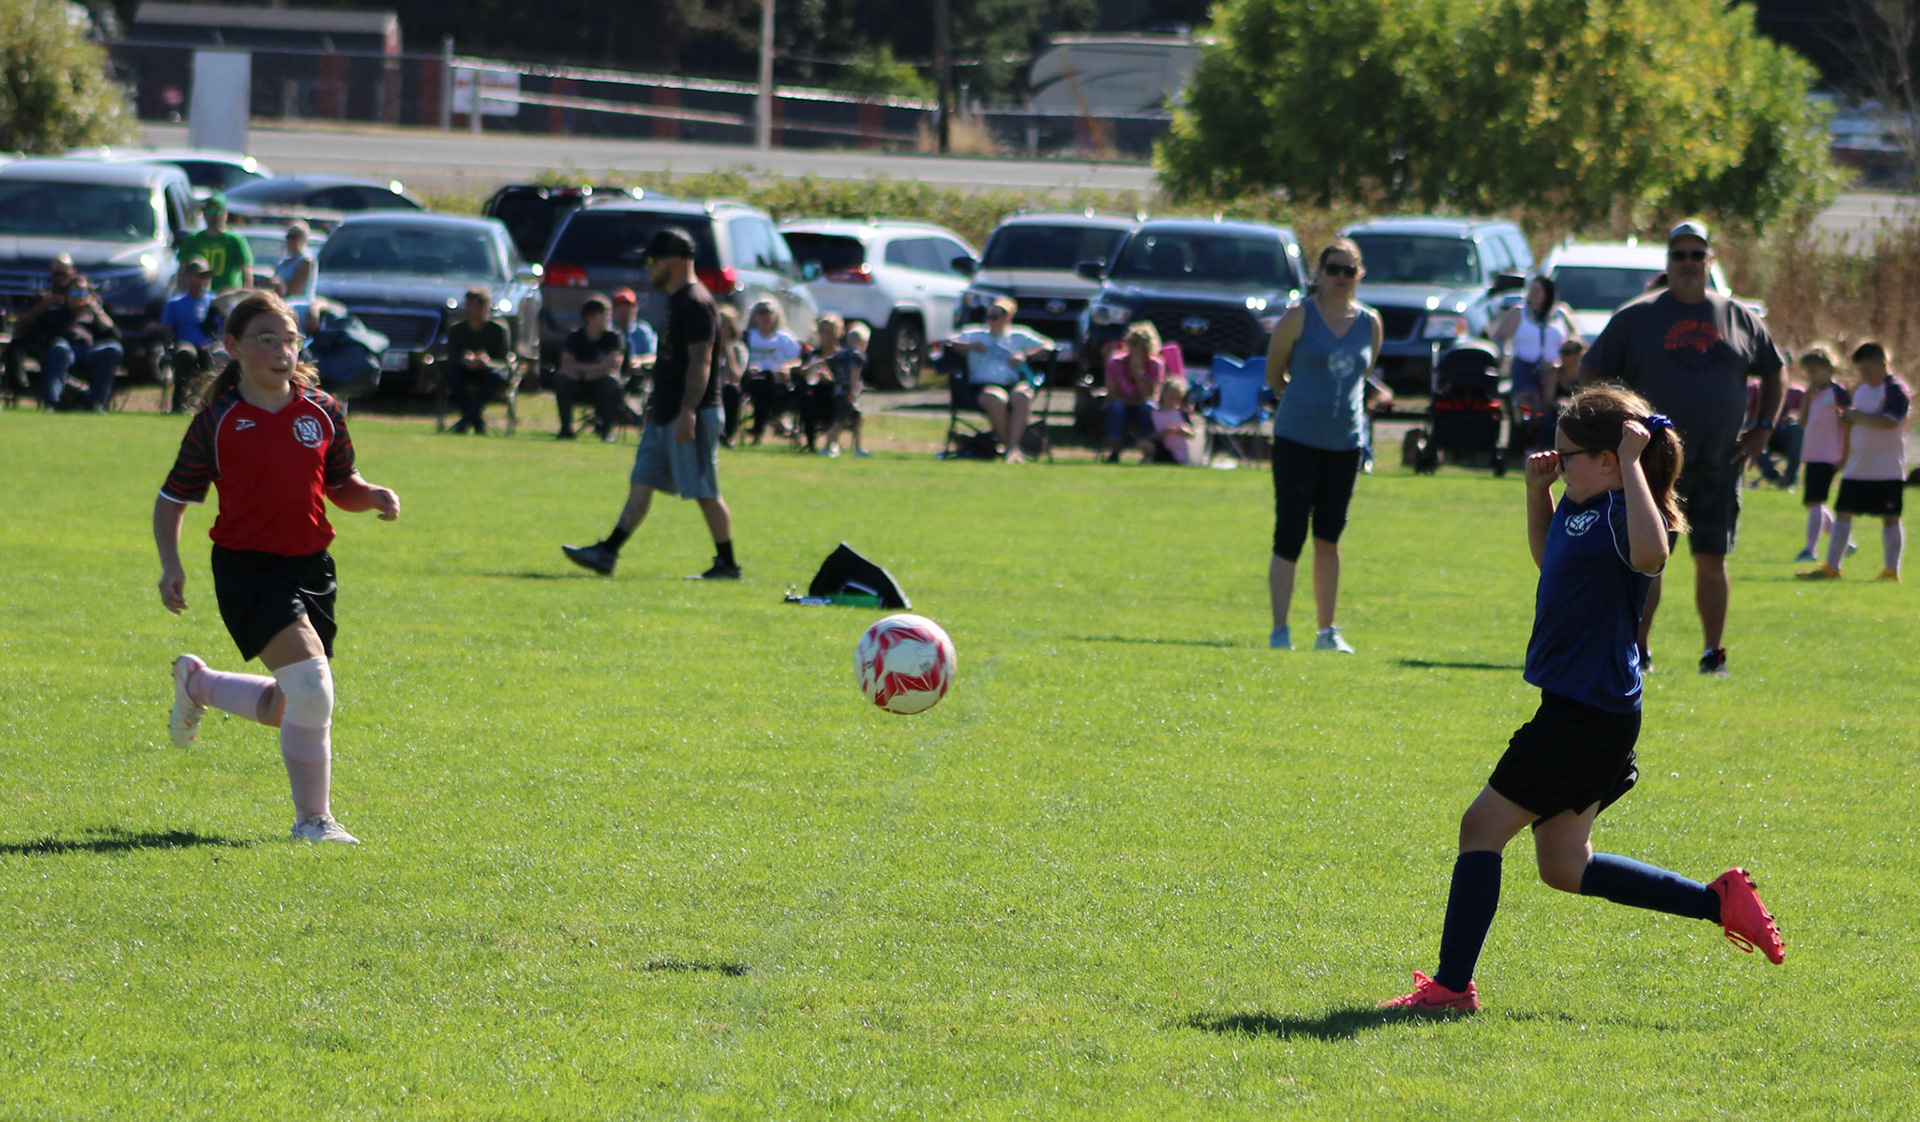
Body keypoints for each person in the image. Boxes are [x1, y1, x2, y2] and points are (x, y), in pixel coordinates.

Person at [1379, 386, 1784, 1014]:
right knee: (1564, 865)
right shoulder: (1579, 501)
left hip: (1586, 714)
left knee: (1480, 828)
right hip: (1581, 709)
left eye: (1567, 455)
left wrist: (1633, 466)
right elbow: (1552, 560)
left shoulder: (1627, 509)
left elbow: (1652, 556)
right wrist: (1537, 493)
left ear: (1607, 459)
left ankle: (1452, 988)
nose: (1557, 461)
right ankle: (1719, 900)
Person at [154, 290, 401, 845]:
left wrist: (370, 495)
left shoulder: (323, 410)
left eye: (290, 340)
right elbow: (173, 498)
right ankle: (314, 821)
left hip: (313, 569)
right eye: (267, 340)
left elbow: (341, 483)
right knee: (313, 688)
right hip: (247, 569)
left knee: (286, 704)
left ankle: (198, 684)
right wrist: (171, 563)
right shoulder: (217, 421)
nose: (282, 351)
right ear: (234, 346)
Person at [1581, 220, 1785, 677]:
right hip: (1654, 464)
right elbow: (1592, 371)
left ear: (1710, 261)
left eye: (1697, 255)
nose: (1688, 263)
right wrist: (1614, 427)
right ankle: (1638, 651)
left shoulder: (1738, 317)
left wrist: (1763, 428)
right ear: (1668, 262)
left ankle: (1713, 654)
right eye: (1680, 255)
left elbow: (1775, 370)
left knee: (1712, 560)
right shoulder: (1637, 316)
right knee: (1649, 560)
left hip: (1718, 460)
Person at [560, 227, 738, 580]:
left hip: (693, 412)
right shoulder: (675, 300)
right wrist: (658, 406)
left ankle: (728, 564)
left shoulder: (697, 302)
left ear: (675, 261)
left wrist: (688, 411)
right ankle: (607, 552)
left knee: (704, 490)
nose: (649, 267)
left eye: (654, 260)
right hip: (666, 412)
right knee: (642, 479)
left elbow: (701, 362)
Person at [1262, 238, 1388, 653]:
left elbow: (1363, 373)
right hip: (1296, 438)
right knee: (1290, 532)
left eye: (1349, 270)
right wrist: (1302, 403)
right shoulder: (1299, 316)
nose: (1340, 277)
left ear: (1359, 275)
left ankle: (1326, 631)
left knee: (1329, 537)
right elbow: (1274, 374)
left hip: (1345, 443)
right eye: (1333, 268)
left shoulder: (1370, 322)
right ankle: (1280, 631)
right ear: (1318, 273)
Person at [1799, 340, 1908, 581]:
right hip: (1857, 466)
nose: (1864, 376)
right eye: (1861, 371)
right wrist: (1845, 456)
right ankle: (1832, 568)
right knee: (1843, 512)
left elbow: (1890, 421)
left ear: (1883, 364)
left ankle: (1891, 570)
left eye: (1868, 371)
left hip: (1887, 468)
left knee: (1890, 517)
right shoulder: (1861, 390)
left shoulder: (1895, 389)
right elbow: (1849, 424)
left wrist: (1858, 417)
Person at [953, 297, 1054, 463]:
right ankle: (1011, 448)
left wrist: (1025, 356)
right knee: (996, 398)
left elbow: (1049, 345)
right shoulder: (975, 333)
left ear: (1008, 317)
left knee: (1022, 396)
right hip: (984, 385)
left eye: (995, 316)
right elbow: (950, 342)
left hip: (1012, 383)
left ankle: (1012, 448)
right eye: (988, 316)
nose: (990, 321)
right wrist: (972, 346)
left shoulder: (1019, 335)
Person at [16, 255, 122, 412]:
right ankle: (52, 403)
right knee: (60, 347)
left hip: (88, 349)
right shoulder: (48, 302)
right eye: (56, 274)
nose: (77, 295)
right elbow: (22, 327)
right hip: (62, 349)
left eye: (80, 291)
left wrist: (96, 311)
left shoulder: (91, 304)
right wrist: (43, 306)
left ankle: (95, 403)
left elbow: (115, 334)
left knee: (113, 349)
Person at [1491, 276, 1577, 449]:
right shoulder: (1519, 312)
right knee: (1528, 409)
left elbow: (1575, 338)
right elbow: (1499, 336)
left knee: (1556, 408)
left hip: (1554, 372)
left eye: (1538, 290)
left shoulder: (1561, 313)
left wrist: (1569, 352)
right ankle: (1524, 446)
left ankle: (1552, 444)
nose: (1533, 294)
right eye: (1531, 289)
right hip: (1525, 368)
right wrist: (1503, 354)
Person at [1789, 345, 1851, 563]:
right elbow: (1803, 422)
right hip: (1812, 453)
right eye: (1808, 373)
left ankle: (1810, 549)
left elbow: (1848, 423)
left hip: (1829, 454)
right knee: (1814, 502)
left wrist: (1845, 454)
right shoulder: (1813, 394)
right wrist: (1806, 400)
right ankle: (1844, 542)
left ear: (1829, 368)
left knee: (1815, 501)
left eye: (1815, 371)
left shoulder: (1838, 393)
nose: (1811, 377)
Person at [554, 295, 628, 441]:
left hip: (601, 386)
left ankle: (605, 431)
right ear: (590, 317)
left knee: (611, 381)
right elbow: (567, 365)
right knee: (562, 378)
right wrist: (600, 367)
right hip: (579, 384)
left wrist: (583, 372)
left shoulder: (614, 337)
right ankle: (566, 429)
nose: (608, 318)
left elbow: (614, 365)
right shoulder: (575, 337)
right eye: (604, 315)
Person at [444, 285, 511, 434]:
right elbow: (452, 357)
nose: (470, 310)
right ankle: (475, 420)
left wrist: (486, 362)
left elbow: (503, 361)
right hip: (465, 372)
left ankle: (465, 420)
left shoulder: (497, 330)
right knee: (451, 373)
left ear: (485, 307)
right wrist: (465, 360)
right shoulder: (456, 330)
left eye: (474, 306)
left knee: (496, 376)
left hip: (487, 373)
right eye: (468, 305)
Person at [158, 258, 220, 414]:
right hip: (186, 343)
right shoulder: (176, 303)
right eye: (200, 275)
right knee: (185, 354)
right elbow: (167, 329)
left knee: (217, 357)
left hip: (209, 346)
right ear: (189, 277)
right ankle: (178, 403)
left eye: (206, 276)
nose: (204, 279)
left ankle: (212, 405)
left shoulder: (214, 302)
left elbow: (223, 326)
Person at [741, 300, 803, 444]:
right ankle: (775, 419)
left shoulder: (784, 338)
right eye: (761, 312)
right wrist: (748, 366)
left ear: (776, 315)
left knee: (768, 382)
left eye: (769, 312)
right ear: (755, 316)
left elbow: (799, 360)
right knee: (763, 381)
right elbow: (739, 356)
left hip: (779, 382)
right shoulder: (747, 337)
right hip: (753, 380)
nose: (765, 316)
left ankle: (759, 430)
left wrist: (787, 367)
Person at [1103, 323, 1166, 462]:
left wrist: (1139, 374)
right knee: (1116, 407)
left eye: (1138, 344)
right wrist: (1129, 400)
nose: (1134, 348)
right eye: (1131, 343)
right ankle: (1115, 450)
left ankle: (1146, 449)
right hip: (1121, 402)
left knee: (1147, 408)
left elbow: (1150, 395)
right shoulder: (1116, 362)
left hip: (1143, 403)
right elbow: (1112, 393)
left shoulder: (1155, 365)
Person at [176, 195, 254, 294]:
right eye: (210, 211)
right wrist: (181, 292)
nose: (214, 216)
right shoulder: (193, 240)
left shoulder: (235, 240)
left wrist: (246, 294)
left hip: (227, 295)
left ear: (225, 214)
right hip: (199, 295)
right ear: (204, 214)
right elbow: (182, 269)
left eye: (218, 211)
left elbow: (246, 270)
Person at [818, 319, 872, 458]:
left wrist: (815, 369)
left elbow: (825, 361)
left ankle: (858, 447)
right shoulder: (857, 356)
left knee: (858, 418)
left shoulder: (842, 353)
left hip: (838, 391)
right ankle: (827, 447)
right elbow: (855, 374)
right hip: (848, 393)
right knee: (839, 421)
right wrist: (853, 392)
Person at [610, 287, 658, 389]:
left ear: (635, 309)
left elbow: (654, 356)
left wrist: (638, 361)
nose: (624, 311)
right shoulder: (608, 332)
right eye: (620, 307)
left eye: (628, 307)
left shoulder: (643, 331)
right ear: (613, 310)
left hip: (639, 375)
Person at [1139, 378, 1196, 465]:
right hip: (1162, 449)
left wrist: (1184, 430)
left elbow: (1192, 433)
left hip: (1179, 452)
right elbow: (1151, 436)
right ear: (1163, 395)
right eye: (1170, 397)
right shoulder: (1154, 414)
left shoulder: (1181, 413)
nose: (1173, 401)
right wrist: (1164, 433)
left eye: (1176, 398)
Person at [716, 305, 748, 446]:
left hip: (726, 389)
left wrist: (728, 351)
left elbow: (736, 376)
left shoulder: (739, 349)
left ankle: (728, 435)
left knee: (732, 391)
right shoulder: (707, 348)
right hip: (709, 388)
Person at [275, 221, 317, 301]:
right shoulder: (283, 262)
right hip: (282, 302)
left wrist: (277, 284)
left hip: (299, 304)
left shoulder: (306, 261)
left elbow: (295, 291)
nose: (290, 240)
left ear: (304, 239)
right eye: (288, 236)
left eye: (294, 237)